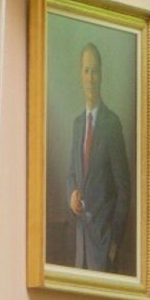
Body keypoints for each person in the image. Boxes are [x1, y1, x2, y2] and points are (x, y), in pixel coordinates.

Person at [52, 36, 134, 275]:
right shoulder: (78, 124)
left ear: (101, 75)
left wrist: (114, 243)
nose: (90, 78)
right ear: (80, 75)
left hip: (104, 249)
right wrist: (71, 194)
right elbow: (71, 174)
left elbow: (124, 192)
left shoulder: (112, 124)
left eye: (95, 71)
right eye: (86, 71)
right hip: (81, 248)